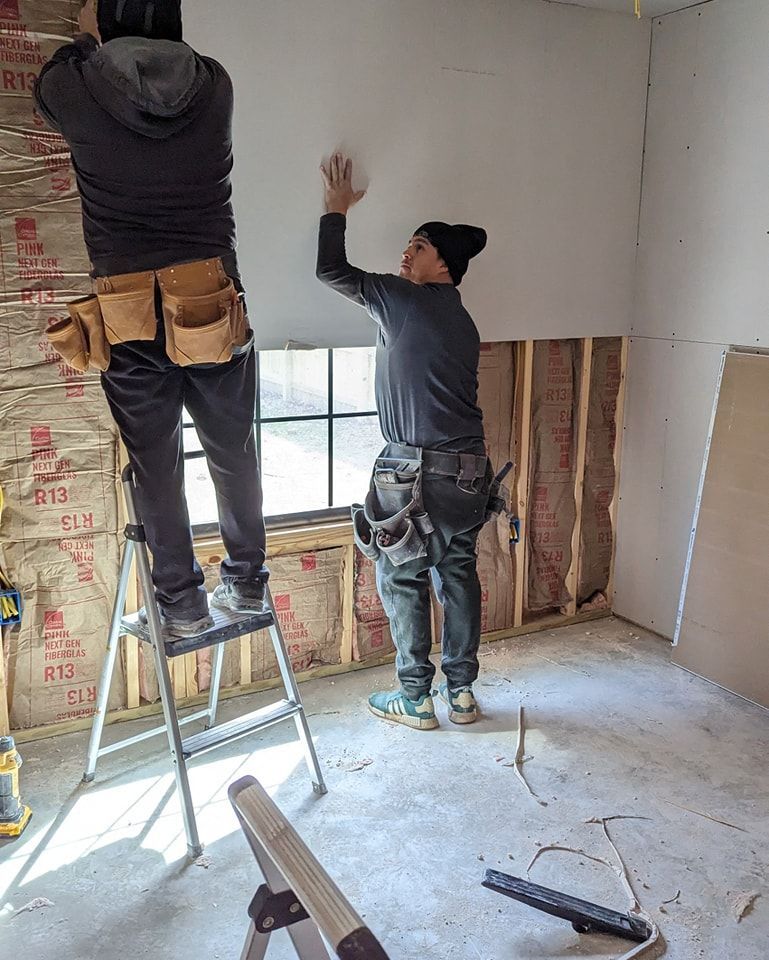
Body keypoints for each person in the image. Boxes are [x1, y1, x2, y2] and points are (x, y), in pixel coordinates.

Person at [34, 1, 268, 636]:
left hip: (127, 306)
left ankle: (183, 605)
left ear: (107, 23)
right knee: (232, 447)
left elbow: (47, 87)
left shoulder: (76, 85)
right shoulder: (215, 83)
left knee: (155, 461)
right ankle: (248, 585)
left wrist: (85, 39)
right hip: (210, 299)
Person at [317, 153, 490, 729]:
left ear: (444, 262)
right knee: (458, 572)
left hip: (412, 471)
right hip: (470, 472)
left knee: (404, 574)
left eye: (417, 246)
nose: (405, 253)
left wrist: (335, 210)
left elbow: (331, 271)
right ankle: (461, 694)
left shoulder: (402, 298)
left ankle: (415, 697)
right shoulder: (462, 319)